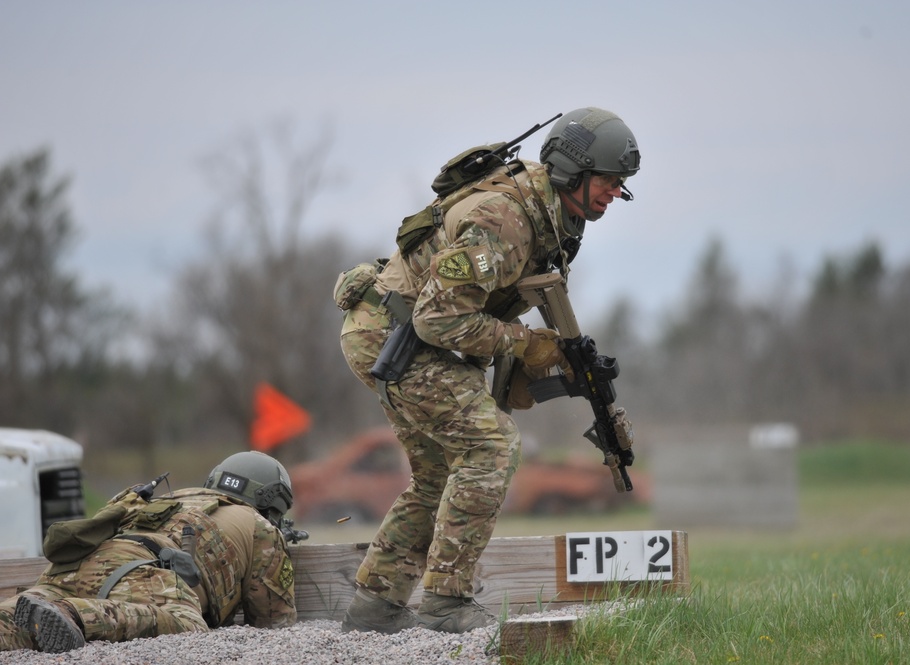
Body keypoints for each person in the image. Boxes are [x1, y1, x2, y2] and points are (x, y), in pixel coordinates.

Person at [335, 107, 641, 634]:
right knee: (491, 446)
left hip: (398, 333)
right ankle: (446, 602)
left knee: (436, 474)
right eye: (609, 182)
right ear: (573, 171)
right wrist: (524, 344)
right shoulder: (505, 218)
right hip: (392, 336)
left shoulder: (553, 218)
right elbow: (437, 318)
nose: (615, 194)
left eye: (621, 186)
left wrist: (535, 356)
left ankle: (375, 608)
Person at [0, 451, 298, 653]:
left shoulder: (174, 497)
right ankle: (75, 615)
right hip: (144, 573)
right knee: (188, 625)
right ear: (273, 504)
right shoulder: (261, 527)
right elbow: (273, 621)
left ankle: (20, 617)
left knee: (12, 621)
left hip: (79, 564)